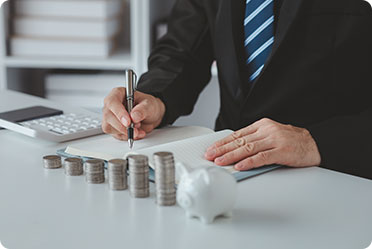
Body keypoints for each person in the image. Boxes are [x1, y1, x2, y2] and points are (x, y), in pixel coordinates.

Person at [102, 0, 372, 179]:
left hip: (335, 172)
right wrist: (154, 97)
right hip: (227, 170)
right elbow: (182, 50)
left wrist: (314, 141)